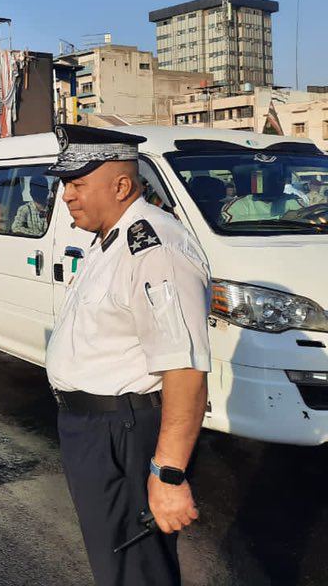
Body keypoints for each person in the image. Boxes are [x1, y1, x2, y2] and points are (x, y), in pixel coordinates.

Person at [46, 124, 212, 586]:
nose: (67, 196)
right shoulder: (112, 238)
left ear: (121, 185)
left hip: (122, 431)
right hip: (95, 430)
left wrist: (168, 473)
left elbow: (184, 370)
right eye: (65, 184)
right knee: (114, 563)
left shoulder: (154, 248)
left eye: (77, 183)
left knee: (135, 571)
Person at [221, 165, 302, 223]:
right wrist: (282, 221)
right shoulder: (238, 205)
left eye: (277, 178)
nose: (272, 183)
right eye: (267, 178)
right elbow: (234, 234)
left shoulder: (293, 201)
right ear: (254, 182)